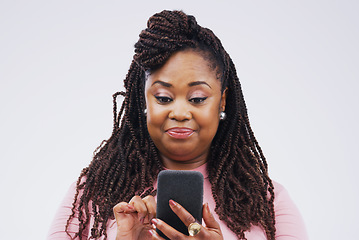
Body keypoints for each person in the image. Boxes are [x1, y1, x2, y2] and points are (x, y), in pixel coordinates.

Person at [47, 10, 308, 240]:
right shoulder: (91, 194)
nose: (180, 112)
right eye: (163, 98)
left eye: (197, 98)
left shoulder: (269, 203)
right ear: (144, 100)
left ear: (222, 101)